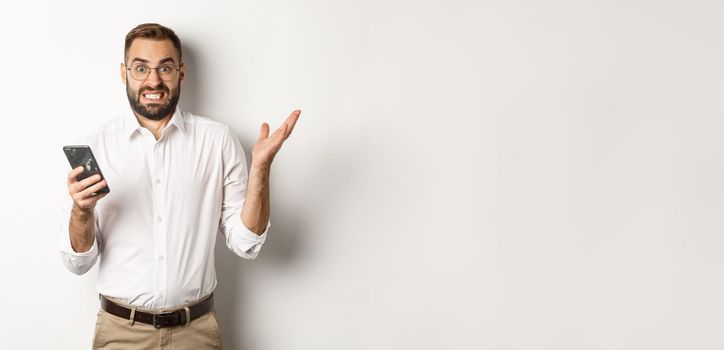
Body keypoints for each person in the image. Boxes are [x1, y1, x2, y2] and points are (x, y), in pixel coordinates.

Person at [58, 23, 300, 349]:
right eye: (141, 68)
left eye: (165, 68)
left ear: (181, 72)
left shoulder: (218, 141)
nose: (153, 80)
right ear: (123, 73)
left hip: (195, 333)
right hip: (121, 334)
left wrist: (260, 169)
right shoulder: (97, 146)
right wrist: (81, 210)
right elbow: (78, 262)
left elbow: (247, 243)